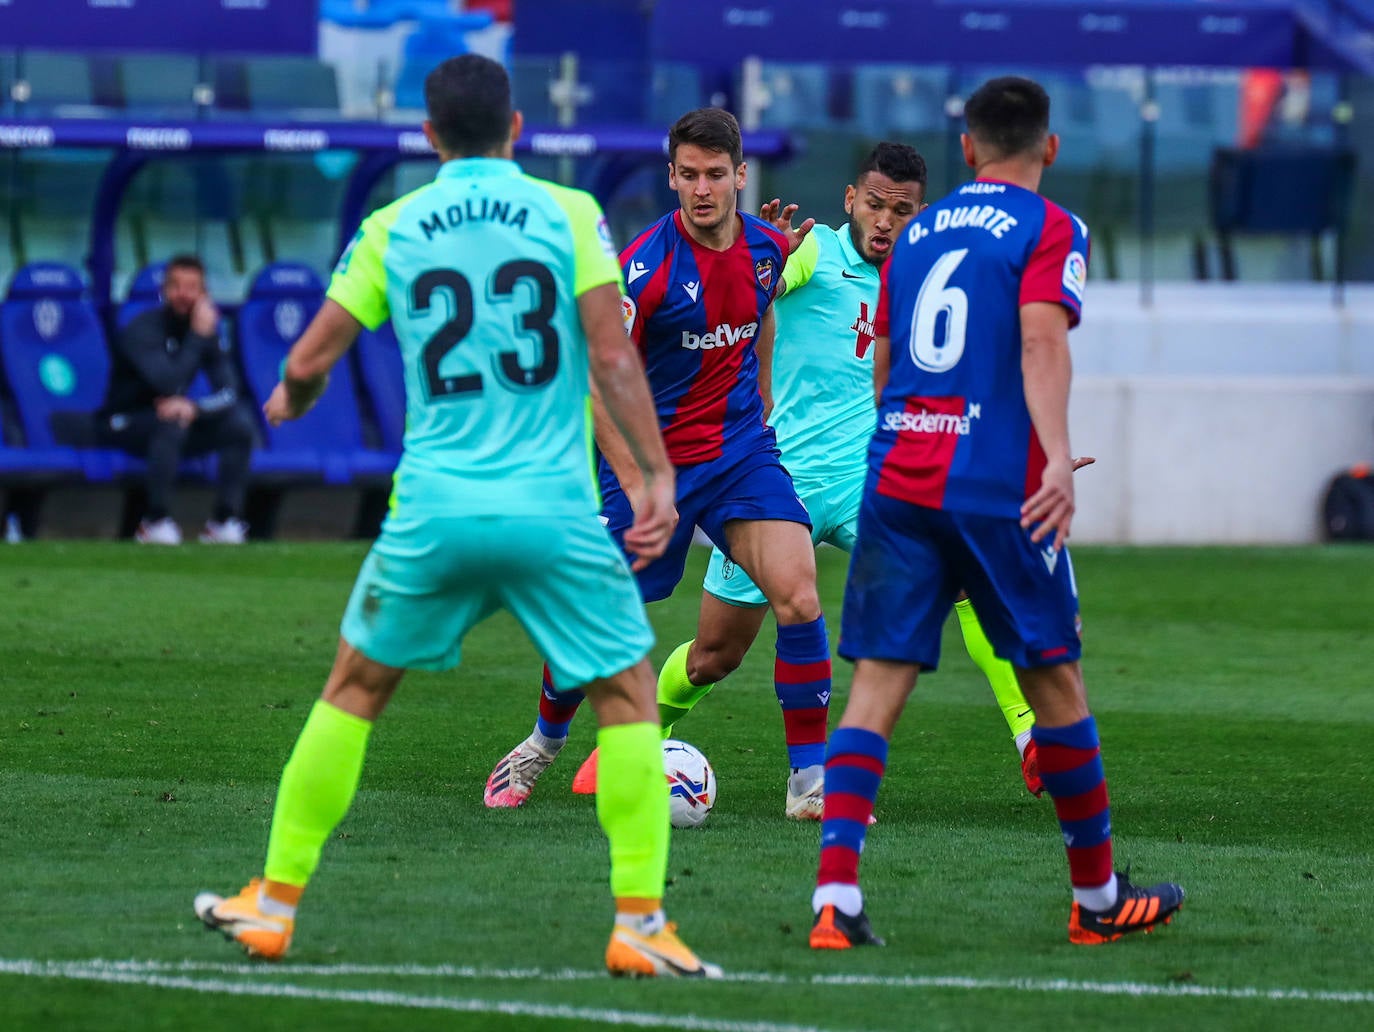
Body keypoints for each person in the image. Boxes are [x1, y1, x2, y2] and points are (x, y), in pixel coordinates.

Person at [193, 54, 718, 979]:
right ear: (517, 130)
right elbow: (611, 353)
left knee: (354, 689)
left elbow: (314, 356)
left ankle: (273, 904)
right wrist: (653, 475)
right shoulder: (571, 215)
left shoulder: (395, 225)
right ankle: (639, 923)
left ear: (430, 137)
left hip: (436, 511)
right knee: (630, 696)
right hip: (553, 511)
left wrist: (290, 397)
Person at [807, 76, 1185, 950]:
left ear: (967, 149)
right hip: (992, 485)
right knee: (1055, 676)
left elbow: (888, 364)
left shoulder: (913, 234)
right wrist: (1053, 455)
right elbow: (1044, 338)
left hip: (898, 473)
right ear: (1048, 149)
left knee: (876, 682)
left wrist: (899, 443)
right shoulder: (1052, 227)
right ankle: (1096, 902)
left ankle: (837, 899)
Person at [625, 142, 1049, 818]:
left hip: (865, 487)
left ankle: (1031, 733)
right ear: (851, 200)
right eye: (875, 205)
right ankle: (649, 728)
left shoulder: (925, 279)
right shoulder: (814, 251)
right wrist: (762, 264)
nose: (885, 221)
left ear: (920, 216)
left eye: (902, 211)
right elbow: (747, 294)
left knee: (967, 572)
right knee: (714, 655)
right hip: (773, 481)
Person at [484, 107, 832, 817]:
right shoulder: (644, 271)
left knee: (798, 593)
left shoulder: (769, 247)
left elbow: (761, 312)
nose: (703, 189)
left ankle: (811, 784)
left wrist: (759, 398)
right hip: (650, 457)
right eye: (689, 175)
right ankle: (543, 743)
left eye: (716, 174)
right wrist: (643, 481)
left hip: (738, 454)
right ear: (671, 178)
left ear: (740, 174)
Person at [97, 254, 254, 545]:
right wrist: (197, 336)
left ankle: (224, 521)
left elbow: (230, 391)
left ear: (203, 293)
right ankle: (154, 521)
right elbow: (168, 382)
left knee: (240, 427)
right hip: (124, 422)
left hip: (174, 422)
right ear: (164, 291)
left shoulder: (205, 332)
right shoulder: (142, 329)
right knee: (171, 423)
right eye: (176, 286)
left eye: (192, 287)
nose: (183, 295)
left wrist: (195, 408)